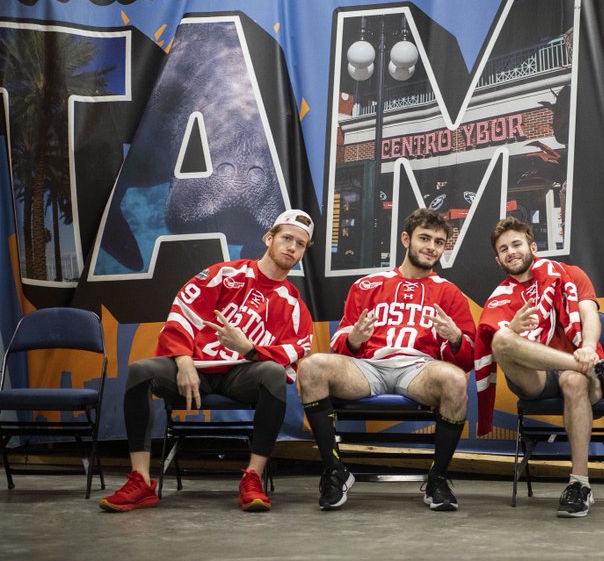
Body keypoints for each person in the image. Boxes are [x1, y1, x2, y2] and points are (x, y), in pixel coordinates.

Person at [99, 209, 315, 513]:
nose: (292, 247)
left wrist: (250, 349)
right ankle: (141, 480)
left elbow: (296, 350)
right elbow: (182, 311)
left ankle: (252, 476)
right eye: (287, 238)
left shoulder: (294, 306)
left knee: (273, 375)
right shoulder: (225, 274)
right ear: (269, 237)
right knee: (140, 371)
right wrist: (184, 360)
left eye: (301, 244)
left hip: (240, 378)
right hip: (195, 370)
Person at [299, 208, 475, 512]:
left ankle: (438, 478)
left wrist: (455, 337)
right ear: (406, 239)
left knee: (456, 381)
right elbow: (340, 345)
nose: (431, 247)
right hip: (369, 367)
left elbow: (468, 358)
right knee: (312, 367)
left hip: (419, 369)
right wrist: (355, 338)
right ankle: (334, 470)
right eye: (424, 238)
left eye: (439, 241)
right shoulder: (367, 285)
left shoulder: (451, 293)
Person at [474, 216, 604, 518]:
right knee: (502, 339)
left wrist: (586, 348)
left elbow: (589, 316)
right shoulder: (500, 298)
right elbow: (502, 347)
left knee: (573, 380)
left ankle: (580, 484)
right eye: (503, 249)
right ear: (498, 259)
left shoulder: (570, 275)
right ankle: (595, 368)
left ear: (532, 246)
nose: (511, 252)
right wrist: (515, 329)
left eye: (516, 244)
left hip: (580, 371)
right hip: (537, 378)